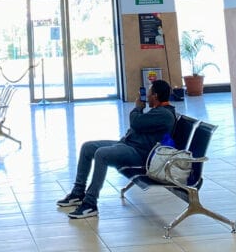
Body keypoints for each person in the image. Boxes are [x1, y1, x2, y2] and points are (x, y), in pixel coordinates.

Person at [57, 79, 176, 220]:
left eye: (149, 93)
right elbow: (138, 125)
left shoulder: (164, 114)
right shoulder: (157, 111)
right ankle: (78, 193)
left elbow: (135, 122)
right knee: (88, 147)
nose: (146, 96)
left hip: (139, 154)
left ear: (155, 96)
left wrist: (137, 107)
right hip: (127, 145)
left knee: (102, 154)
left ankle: (90, 203)